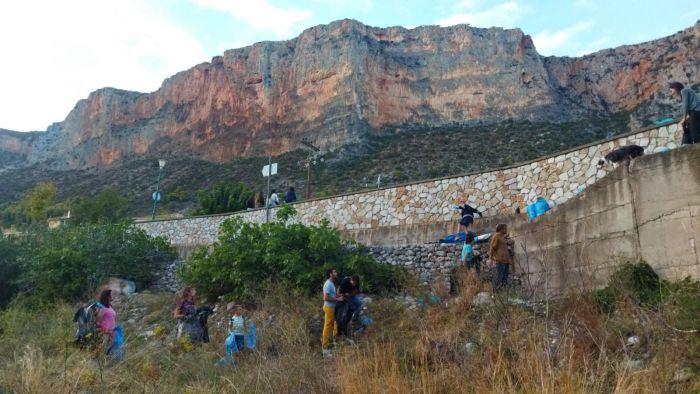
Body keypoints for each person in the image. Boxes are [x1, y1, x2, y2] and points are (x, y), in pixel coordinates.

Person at [322, 269, 343, 354]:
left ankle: (334, 339)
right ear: (330, 274)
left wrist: (340, 295)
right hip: (329, 308)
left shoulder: (331, 283)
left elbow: (332, 295)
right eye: (335, 272)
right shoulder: (328, 284)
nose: (336, 273)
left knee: (334, 323)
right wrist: (337, 299)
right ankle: (325, 347)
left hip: (332, 307)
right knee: (327, 326)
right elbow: (326, 298)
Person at [488, 224, 513, 291]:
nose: (506, 229)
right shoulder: (496, 236)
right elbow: (492, 248)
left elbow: (504, 249)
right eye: (505, 228)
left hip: (505, 260)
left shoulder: (502, 237)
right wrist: (490, 258)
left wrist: (509, 260)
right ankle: (496, 292)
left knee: (505, 277)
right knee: (499, 277)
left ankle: (503, 293)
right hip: (500, 260)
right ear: (501, 229)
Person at [95, 289, 116, 354]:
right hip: (105, 332)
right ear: (107, 297)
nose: (112, 297)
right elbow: (98, 320)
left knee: (107, 350)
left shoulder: (110, 307)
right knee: (102, 349)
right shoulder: (102, 308)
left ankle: (104, 362)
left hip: (111, 332)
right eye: (110, 295)